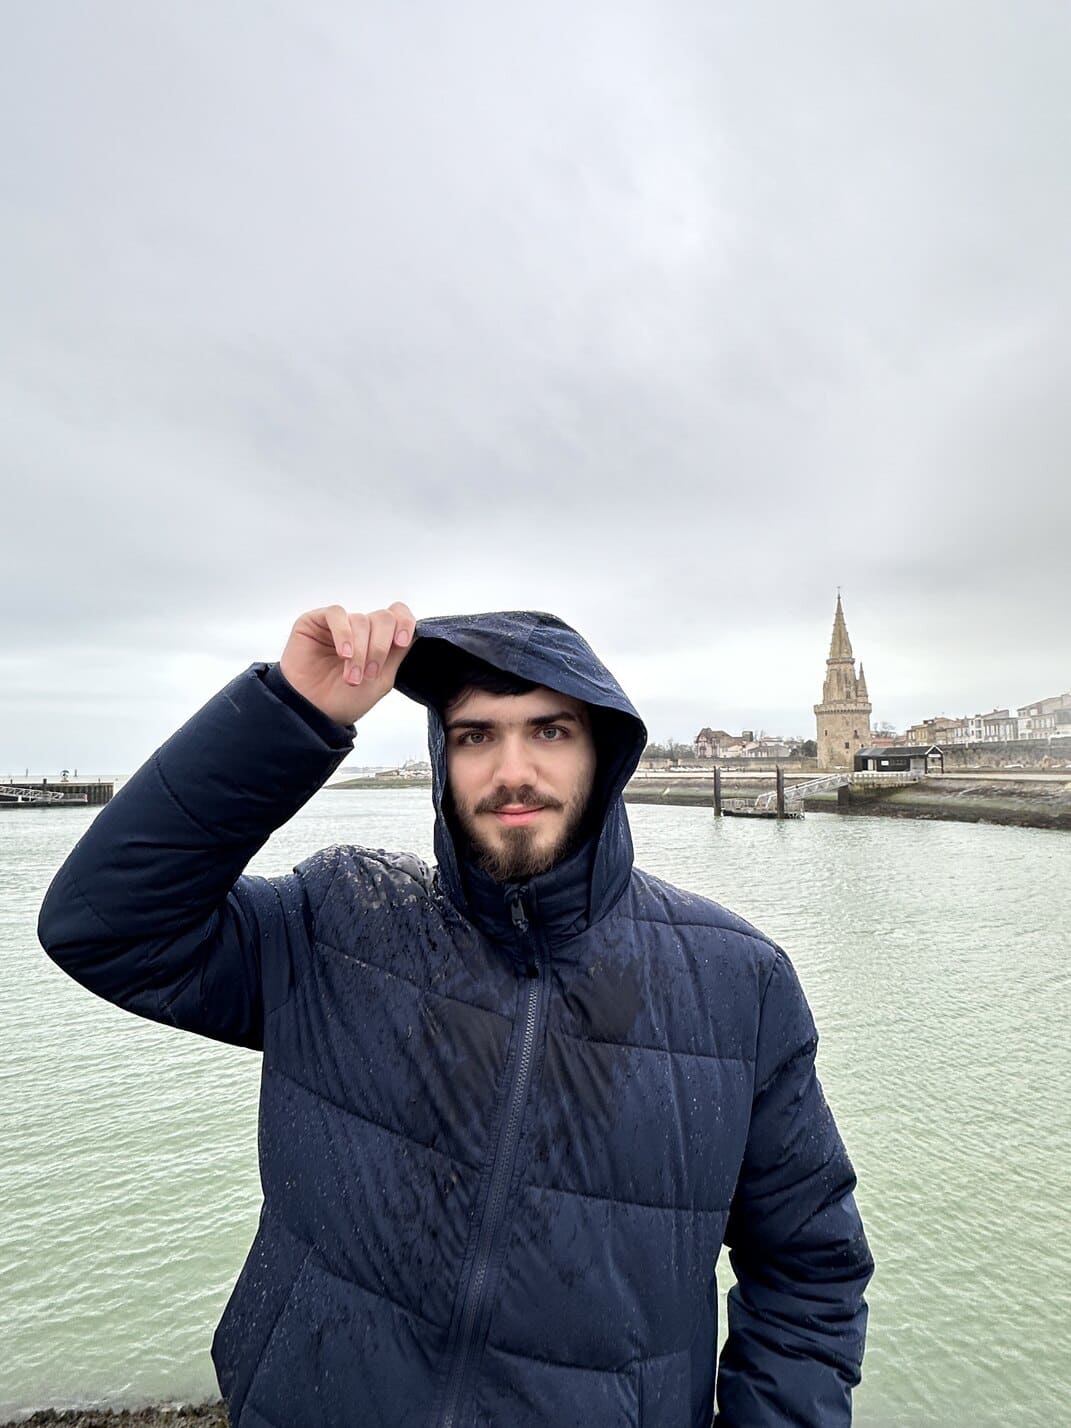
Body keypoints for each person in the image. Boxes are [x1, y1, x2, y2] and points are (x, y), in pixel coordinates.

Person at [39, 603, 873, 1428]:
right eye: (477, 735)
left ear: (603, 753)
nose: (513, 769)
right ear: (442, 758)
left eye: (549, 731)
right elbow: (106, 926)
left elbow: (808, 1266)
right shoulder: (338, 919)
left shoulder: (737, 983)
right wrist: (289, 711)